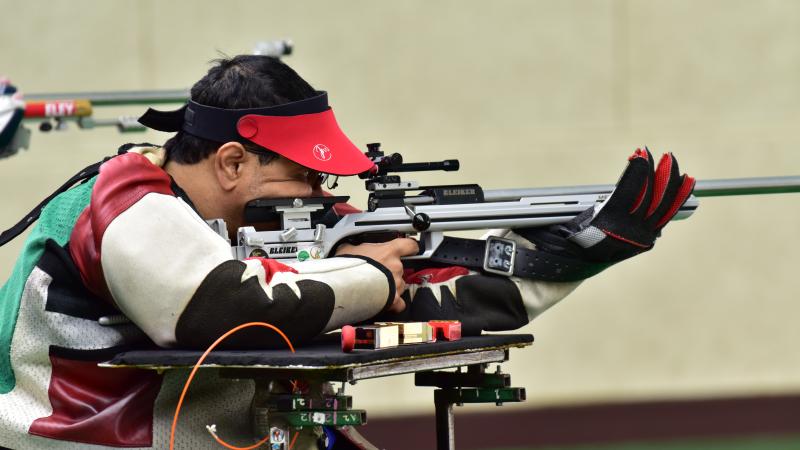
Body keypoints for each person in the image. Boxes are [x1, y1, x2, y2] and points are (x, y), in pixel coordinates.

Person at [0, 55, 694, 449]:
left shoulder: (240, 229)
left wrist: (574, 250)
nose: (319, 195)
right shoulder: (124, 199)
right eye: (304, 176)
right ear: (233, 162)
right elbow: (224, 310)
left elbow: (429, 298)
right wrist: (365, 272)